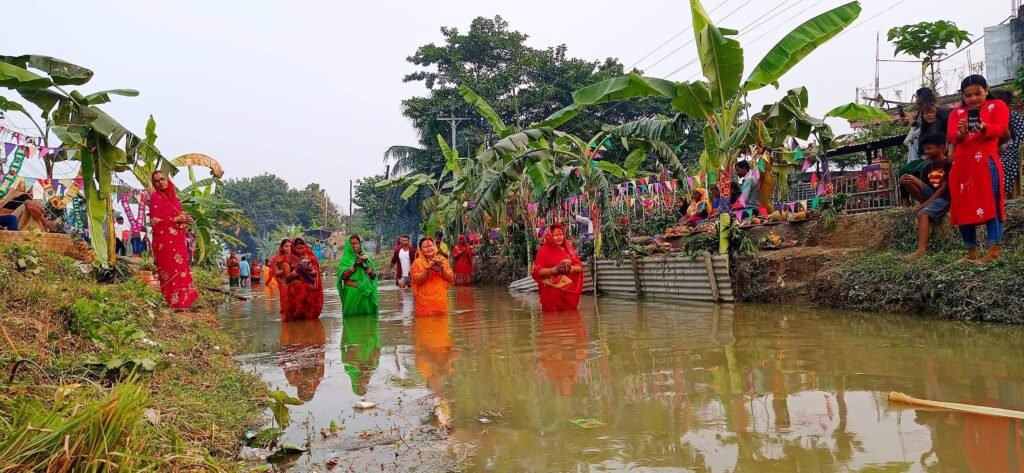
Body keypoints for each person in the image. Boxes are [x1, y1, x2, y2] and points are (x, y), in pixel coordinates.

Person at [947, 75, 1010, 264]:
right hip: (961, 165)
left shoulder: (997, 106)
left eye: (978, 93)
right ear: (962, 95)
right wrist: (961, 132)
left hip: (985, 161)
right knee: (962, 205)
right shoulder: (956, 113)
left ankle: (993, 251)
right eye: (968, 95)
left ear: (986, 90)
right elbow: (951, 135)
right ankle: (971, 252)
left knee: (992, 202)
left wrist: (984, 128)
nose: (973, 98)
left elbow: (1000, 129)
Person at [147, 171, 198, 310]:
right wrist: (176, 219)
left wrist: (184, 219)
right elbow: (154, 221)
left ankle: (184, 302)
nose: (160, 182)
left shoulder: (173, 198)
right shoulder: (155, 198)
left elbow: (177, 218)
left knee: (181, 269)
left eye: (162, 179)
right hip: (164, 242)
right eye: (156, 181)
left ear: (167, 180)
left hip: (178, 241)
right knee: (170, 270)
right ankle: (174, 302)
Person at [899, 133, 952, 259]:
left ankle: (921, 250)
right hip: (931, 195)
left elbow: (944, 188)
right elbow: (922, 185)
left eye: (929, 148)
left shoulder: (948, 163)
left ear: (941, 147)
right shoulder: (927, 166)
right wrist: (904, 180)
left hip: (944, 197)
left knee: (922, 214)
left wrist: (926, 204)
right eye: (925, 149)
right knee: (908, 178)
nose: (926, 151)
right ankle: (926, 205)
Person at [531, 224, 583, 312]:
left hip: (569, 293)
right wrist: (555, 269)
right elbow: (537, 272)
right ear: (550, 235)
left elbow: (580, 268)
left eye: (561, 235)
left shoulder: (569, 249)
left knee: (571, 320)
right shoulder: (543, 251)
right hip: (552, 295)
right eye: (555, 235)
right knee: (552, 320)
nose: (559, 237)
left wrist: (570, 268)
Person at [991, 90, 1023, 197]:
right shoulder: (989, 120)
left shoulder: (1014, 118)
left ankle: (998, 195)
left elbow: (1021, 140)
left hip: (1009, 154)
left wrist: (1003, 148)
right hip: (991, 153)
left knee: (999, 165)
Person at [410, 237, 453, 316]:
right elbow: (416, 280)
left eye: (430, 246)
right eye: (425, 247)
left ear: (434, 246)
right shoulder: (417, 263)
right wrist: (428, 270)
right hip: (424, 307)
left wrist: (442, 270)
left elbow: (450, 278)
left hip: (441, 305)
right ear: (420, 249)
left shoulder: (442, 260)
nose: (429, 248)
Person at [338, 234, 379, 317]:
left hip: (367, 293)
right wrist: (354, 266)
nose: (354, 246)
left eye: (356, 243)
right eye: (351, 244)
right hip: (352, 293)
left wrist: (365, 265)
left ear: (360, 244)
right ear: (348, 246)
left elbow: (373, 277)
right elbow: (343, 277)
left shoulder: (366, 258)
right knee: (350, 319)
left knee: (368, 320)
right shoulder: (345, 260)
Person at [285, 238, 324, 321]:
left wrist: (309, 269)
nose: (301, 251)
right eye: (298, 248)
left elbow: (316, 274)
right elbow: (287, 279)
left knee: (310, 320)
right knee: (295, 322)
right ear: (293, 247)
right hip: (295, 294)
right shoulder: (288, 259)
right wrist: (296, 270)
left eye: (303, 248)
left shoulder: (311, 258)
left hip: (309, 294)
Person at [271, 239, 293, 315]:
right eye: (286, 246)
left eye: (290, 246)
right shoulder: (277, 259)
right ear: (282, 247)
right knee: (285, 302)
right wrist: (286, 269)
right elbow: (276, 273)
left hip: (294, 283)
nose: (289, 248)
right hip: (283, 283)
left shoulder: (294, 258)